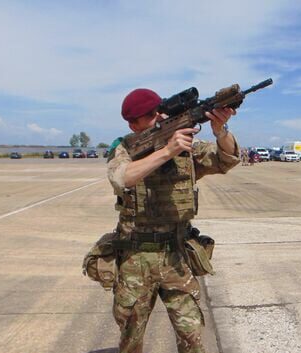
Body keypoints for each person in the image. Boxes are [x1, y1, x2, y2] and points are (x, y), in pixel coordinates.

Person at [107, 88, 240, 353]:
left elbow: (226, 160)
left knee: (191, 335)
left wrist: (220, 130)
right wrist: (167, 151)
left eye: (160, 111)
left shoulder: (184, 144)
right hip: (136, 258)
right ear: (134, 124)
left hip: (176, 256)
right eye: (151, 115)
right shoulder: (124, 147)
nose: (159, 117)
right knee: (131, 338)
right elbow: (122, 177)